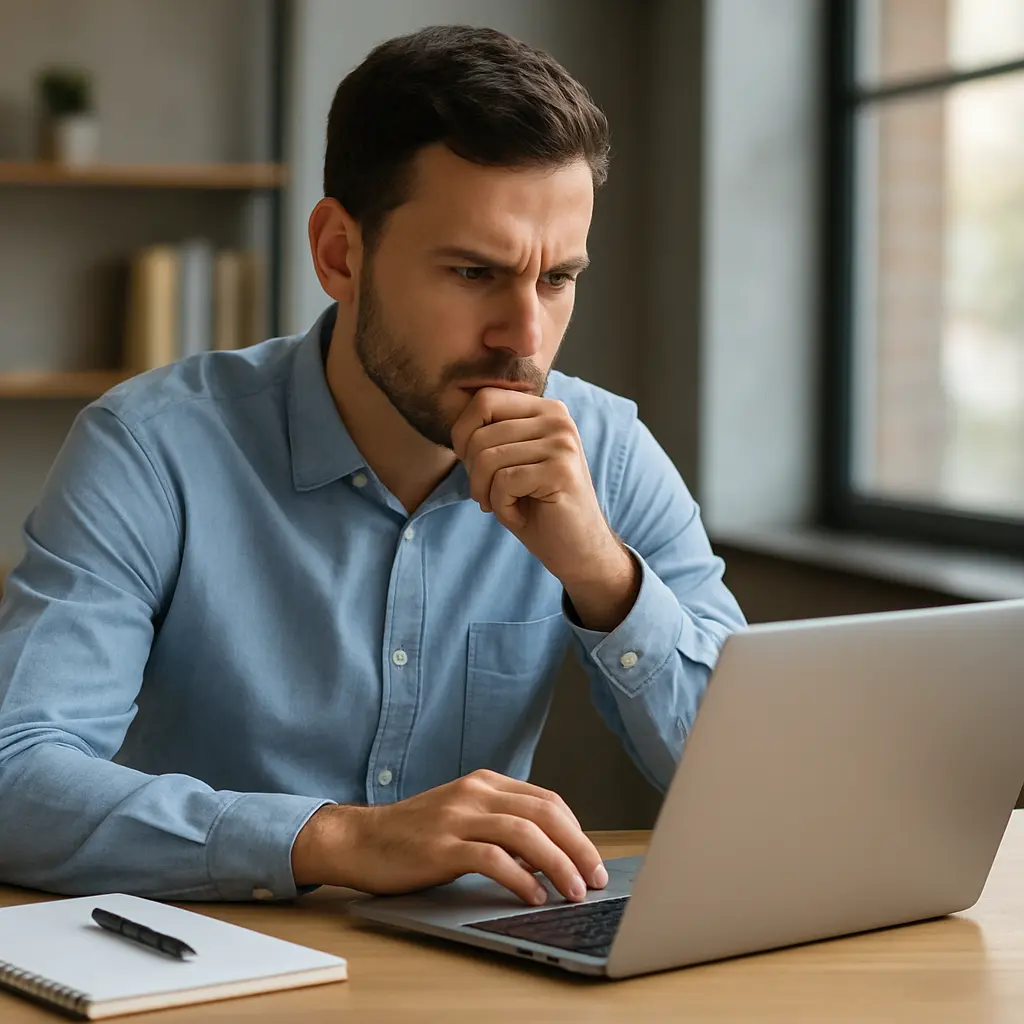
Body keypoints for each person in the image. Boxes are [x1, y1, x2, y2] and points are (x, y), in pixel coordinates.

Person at [0, 25, 744, 909]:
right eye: (474, 271)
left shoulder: (607, 450)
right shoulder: (153, 448)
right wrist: (339, 839)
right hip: (207, 961)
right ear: (339, 254)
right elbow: (15, 775)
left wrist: (603, 575)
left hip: (480, 973)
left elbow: (758, 790)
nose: (525, 339)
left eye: (556, 280)